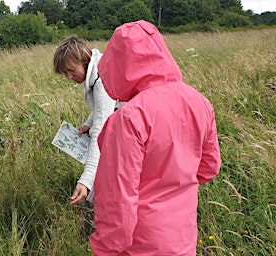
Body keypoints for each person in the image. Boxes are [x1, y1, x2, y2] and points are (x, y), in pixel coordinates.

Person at [91, 20, 221, 255]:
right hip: (183, 238)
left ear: (119, 63)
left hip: (141, 245)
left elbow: (117, 201)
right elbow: (209, 168)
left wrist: (105, 249)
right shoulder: (199, 102)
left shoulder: (129, 118)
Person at [53, 36, 117, 206]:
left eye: (71, 70)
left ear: (84, 60)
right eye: (65, 73)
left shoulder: (103, 79)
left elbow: (101, 132)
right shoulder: (94, 72)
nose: (68, 76)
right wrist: (89, 123)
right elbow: (100, 106)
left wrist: (86, 180)